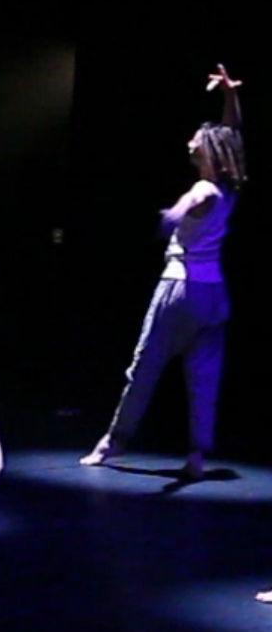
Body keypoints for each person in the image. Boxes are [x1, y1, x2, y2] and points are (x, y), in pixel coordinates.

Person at [82, 65, 245, 481]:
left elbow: (185, 206)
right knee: (203, 378)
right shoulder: (228, 188)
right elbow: (232, 133)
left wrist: (168, 218)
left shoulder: (204, 188)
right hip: (215, 297)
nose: (189, 140)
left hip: (180, 289)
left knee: (145, 366)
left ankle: (112, 442)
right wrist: (229, 96)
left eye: (196, 137)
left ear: (209, 150)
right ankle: (196, 457)